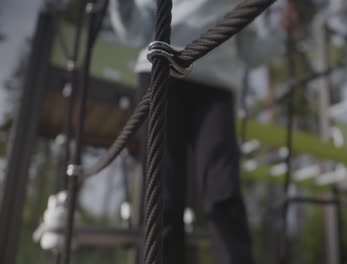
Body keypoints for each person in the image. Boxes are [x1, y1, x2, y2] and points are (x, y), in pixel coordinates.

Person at [109, 0, 296, 263]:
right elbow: (137, 31)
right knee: (163, 194)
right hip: (162, 71)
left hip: (216, 85)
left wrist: (281, 29)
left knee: (224, 191)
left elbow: (250, 51)